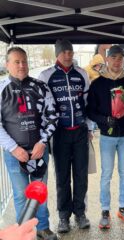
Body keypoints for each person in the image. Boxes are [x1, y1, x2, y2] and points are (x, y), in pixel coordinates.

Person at [0, 47, 58, 240]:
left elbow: (53, 115)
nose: (22, 65)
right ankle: (24, 233)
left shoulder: (41, 86)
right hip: (14, 154)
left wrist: (43, 142)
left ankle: (42, 227)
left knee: (39, 193)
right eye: (16, 62)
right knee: (20, 195)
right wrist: (14, 148)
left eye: (24, 61)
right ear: (7, 64)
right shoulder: (1, 89)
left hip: (39, 152)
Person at [38, 39, 93, 233]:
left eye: (70, 52)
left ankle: (80, 213)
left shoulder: (82, 74)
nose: (68, 55)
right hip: (59, 134)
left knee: (80, 175)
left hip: (79, 132)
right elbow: (43, 106)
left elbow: (88, 102)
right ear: (57, 55)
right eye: (64, 52)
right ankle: (63, 217)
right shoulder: (46, 76)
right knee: (62, 177)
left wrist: (89, 127)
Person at [87, 45, 124, 229]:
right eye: (113, 58)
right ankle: (105, 210)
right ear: (107, 59)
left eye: (120, 58)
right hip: (107, 137)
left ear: (123, 61)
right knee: (106, 175)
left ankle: (123, 207)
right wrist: (104, 120)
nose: (117, 61)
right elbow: (90, 111)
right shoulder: (98, 84)